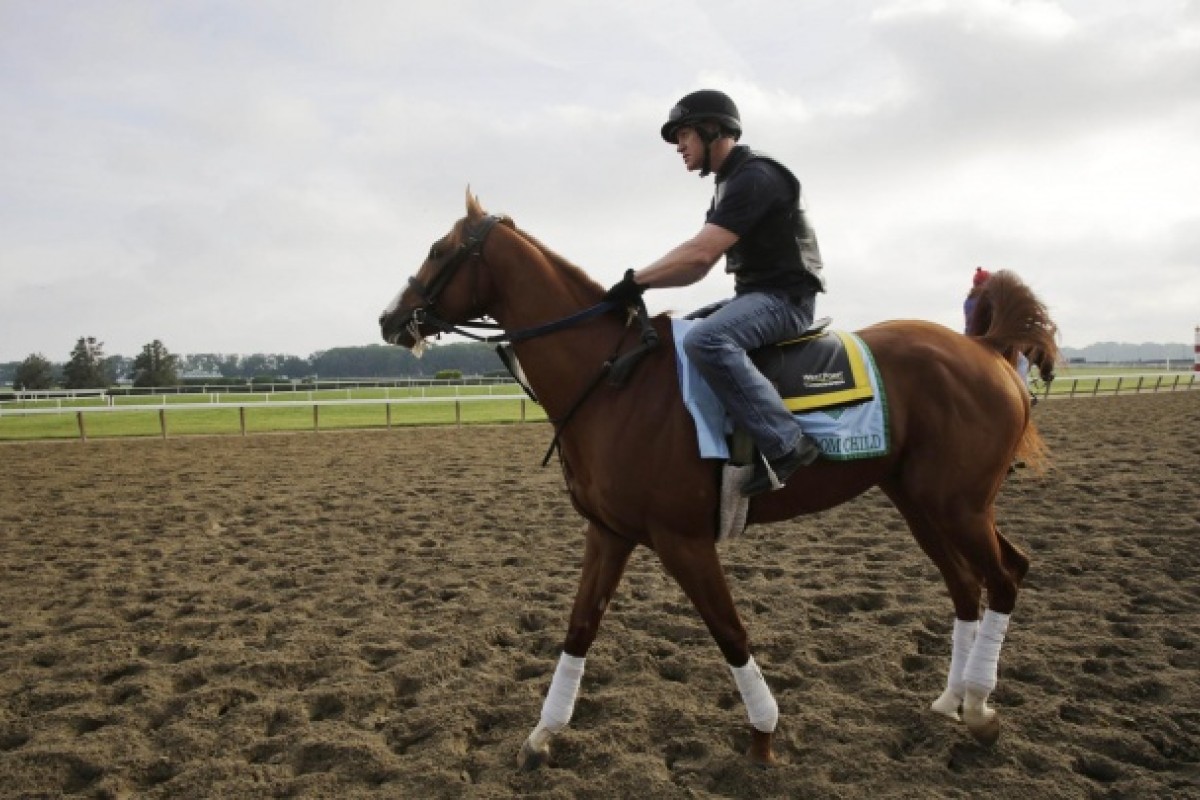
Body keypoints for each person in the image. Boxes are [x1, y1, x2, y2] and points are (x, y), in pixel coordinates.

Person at [603, 89, 826, 496]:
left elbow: (699, 255)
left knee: (708, 339)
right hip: (758, 297)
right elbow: (695, 261)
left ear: (712, 130)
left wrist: (636, 281)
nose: (679, 148)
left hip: (785, 301)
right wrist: (640, 282)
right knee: (679, 333)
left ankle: (788, 442)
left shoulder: (756, 177)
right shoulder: (729, 183)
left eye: (683, 136)